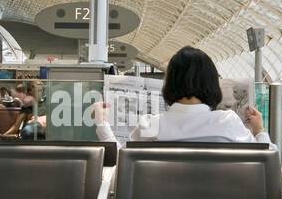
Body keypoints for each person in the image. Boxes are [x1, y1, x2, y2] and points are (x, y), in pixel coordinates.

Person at [93, 46, 268, 144]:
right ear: (212, 83)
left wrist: (102, 124)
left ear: (170, 83)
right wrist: (260, 130)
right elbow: (266, 161)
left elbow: (122, 162)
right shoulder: (228, 122)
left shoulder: (151, 126)